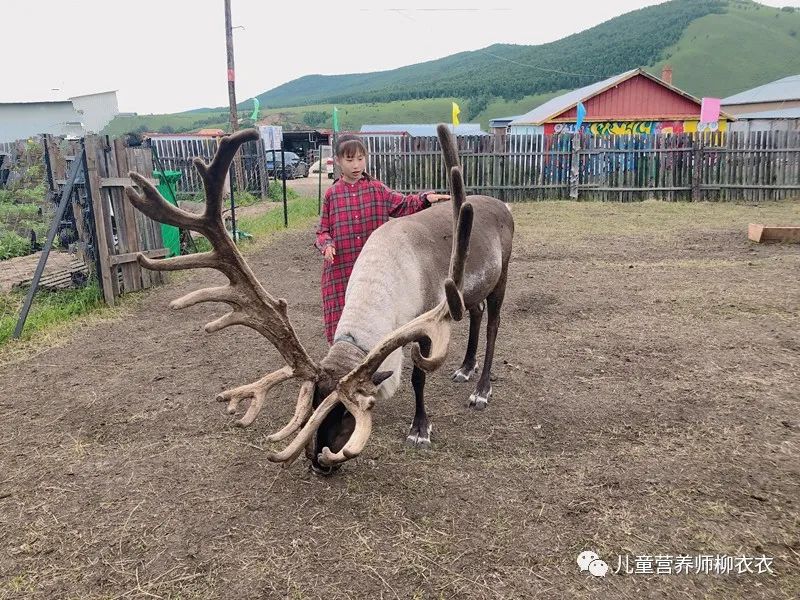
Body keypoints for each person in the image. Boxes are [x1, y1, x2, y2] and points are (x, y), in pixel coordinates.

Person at [315, 134, 450, 345]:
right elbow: (322, 231)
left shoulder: (377, 189)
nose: (356, 165)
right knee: (343, 323)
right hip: (342, 270)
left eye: (360, 158)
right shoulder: (332, 195)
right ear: (339, 161)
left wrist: (425, 199)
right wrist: (327, 245)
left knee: (374, 318)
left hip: (375, 270)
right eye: (350, 160)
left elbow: (403, 204)